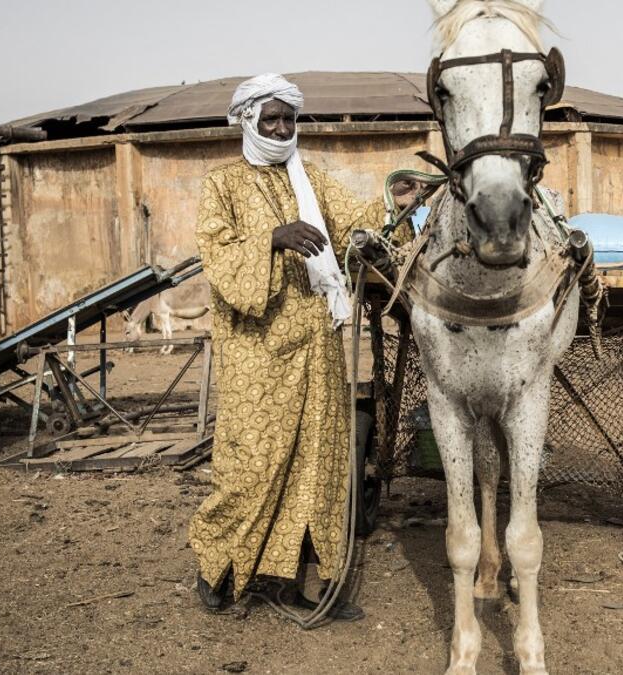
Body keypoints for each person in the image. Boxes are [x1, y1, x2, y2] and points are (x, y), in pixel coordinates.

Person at [190, 73, 418, 619]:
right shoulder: (221, 183)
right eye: (270, 118)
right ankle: (219, 566)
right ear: (247, 120)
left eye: (288, 118)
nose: (281, 127)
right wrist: (271, 238)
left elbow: (354, 226)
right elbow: (217, 255)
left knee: (317, 463)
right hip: (256, 350)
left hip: (317, 343)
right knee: (253, 461)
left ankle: (302, 579)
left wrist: (396, 206)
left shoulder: (309, 178)